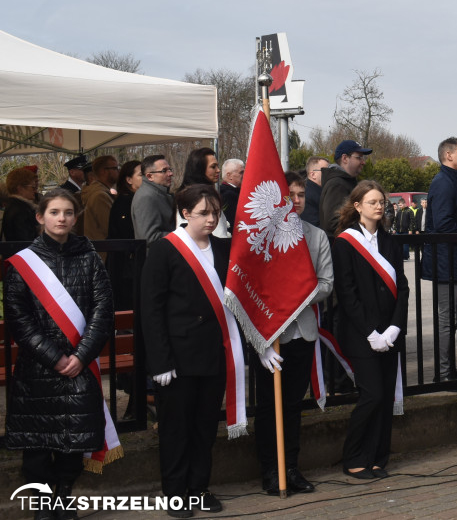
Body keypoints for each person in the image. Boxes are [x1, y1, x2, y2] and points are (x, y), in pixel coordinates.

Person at [4, 190, 116, 514]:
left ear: (76, 217)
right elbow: (18, 319)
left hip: (78, 367)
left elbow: (103, 308)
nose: (61, 218)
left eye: (68, 212)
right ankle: (43, 502)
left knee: (73, 442)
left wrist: (81, 355)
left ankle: (63, 494)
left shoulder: (89, 257)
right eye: (54, 212)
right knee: (38, 445)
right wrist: (54, 357)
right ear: (40, 217)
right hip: (38, 370)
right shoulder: (24, 264)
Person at [140, 184, 240, 517]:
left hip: (213, 352)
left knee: (203, 427)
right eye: (204, 213)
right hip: (178, 359)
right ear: (185, 214)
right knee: (175, 429)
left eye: (216, 212)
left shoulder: (224, 249)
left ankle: (198, 488)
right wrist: (160, 361)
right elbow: (151, 309)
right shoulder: (165, 249)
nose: (212, 219)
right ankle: (174, 492)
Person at [253, 172, 333, 495]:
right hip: (272, 338)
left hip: (302, 334)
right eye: (291, 195)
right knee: (269, 407)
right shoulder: (262, 237)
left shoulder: (316, 237)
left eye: (301, 195)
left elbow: (326, 283)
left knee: (292, 407)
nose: (296, 201)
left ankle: (292, 468)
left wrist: (298, 294)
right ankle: (271, 471)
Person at [332, 180, 409, 479]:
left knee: (386, 395)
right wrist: (371, 332)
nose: (379, 206)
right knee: (372, 395)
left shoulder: (390, 242)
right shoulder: (344, 242)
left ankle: (378, 457)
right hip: (361, 335)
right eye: (373, 202)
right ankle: (354, 456)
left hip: (389, 333)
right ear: (357, 206)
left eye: (382, 202)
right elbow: (347, 293)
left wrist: (395, 328)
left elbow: (402, 288)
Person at [423, 137, 457, 382]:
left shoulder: (452, 181)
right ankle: (444, 374)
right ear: (449, 155)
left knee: (455, 319)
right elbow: (443, 225)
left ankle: (455, 371)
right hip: (446, 263)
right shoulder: (443, 183)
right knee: (446, 320)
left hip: (453, 261)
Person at [107, 160, 143, 310]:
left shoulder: (135, 200)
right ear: (129, 180)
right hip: (124, 267)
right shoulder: (125, 202)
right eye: (141, 174)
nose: (146, 178)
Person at [319, 141, 372, 236]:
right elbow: (333, 223)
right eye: (359, 157)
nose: (363, 162)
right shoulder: (337, 184)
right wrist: (364, 226)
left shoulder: (346, 182)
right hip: (341, 247)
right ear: (345, 158)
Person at [176, 148, 230, 239]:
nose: (218, 170)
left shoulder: (187, 193)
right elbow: (219, 234)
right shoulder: (192, 197)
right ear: (200, 169)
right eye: (213, 167)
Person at [132, 155, 176, 248]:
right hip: (157, 259)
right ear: (149, 176)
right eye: (164, 171)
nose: (170, 173)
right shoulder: (146, 197)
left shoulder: (158, 193)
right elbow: (149, 237)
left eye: (170, 169)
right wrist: (183, 236)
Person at [80, 155, 119, 242]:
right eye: (115, 168)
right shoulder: (100, 196)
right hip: (104, 252)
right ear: (103, 171)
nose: (118, 171)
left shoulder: (100, 192)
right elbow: (110, 228)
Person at [2, 167, 40, 242]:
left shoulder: (13, 206)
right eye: (33, 187)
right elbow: (26, 242)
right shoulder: (21, 210)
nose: (35, 191)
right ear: (20, 188)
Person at [300, 156, 329, 227]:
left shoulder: (321, 191)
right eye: (326, 171)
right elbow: (313, 227)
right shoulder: (307, 195)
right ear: (313, 174)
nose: (329, 174)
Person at [219, 158, 244, 226]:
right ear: (229, 175)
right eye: (241, 172)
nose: (244, 175)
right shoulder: (228, 195)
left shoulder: (236, 192)